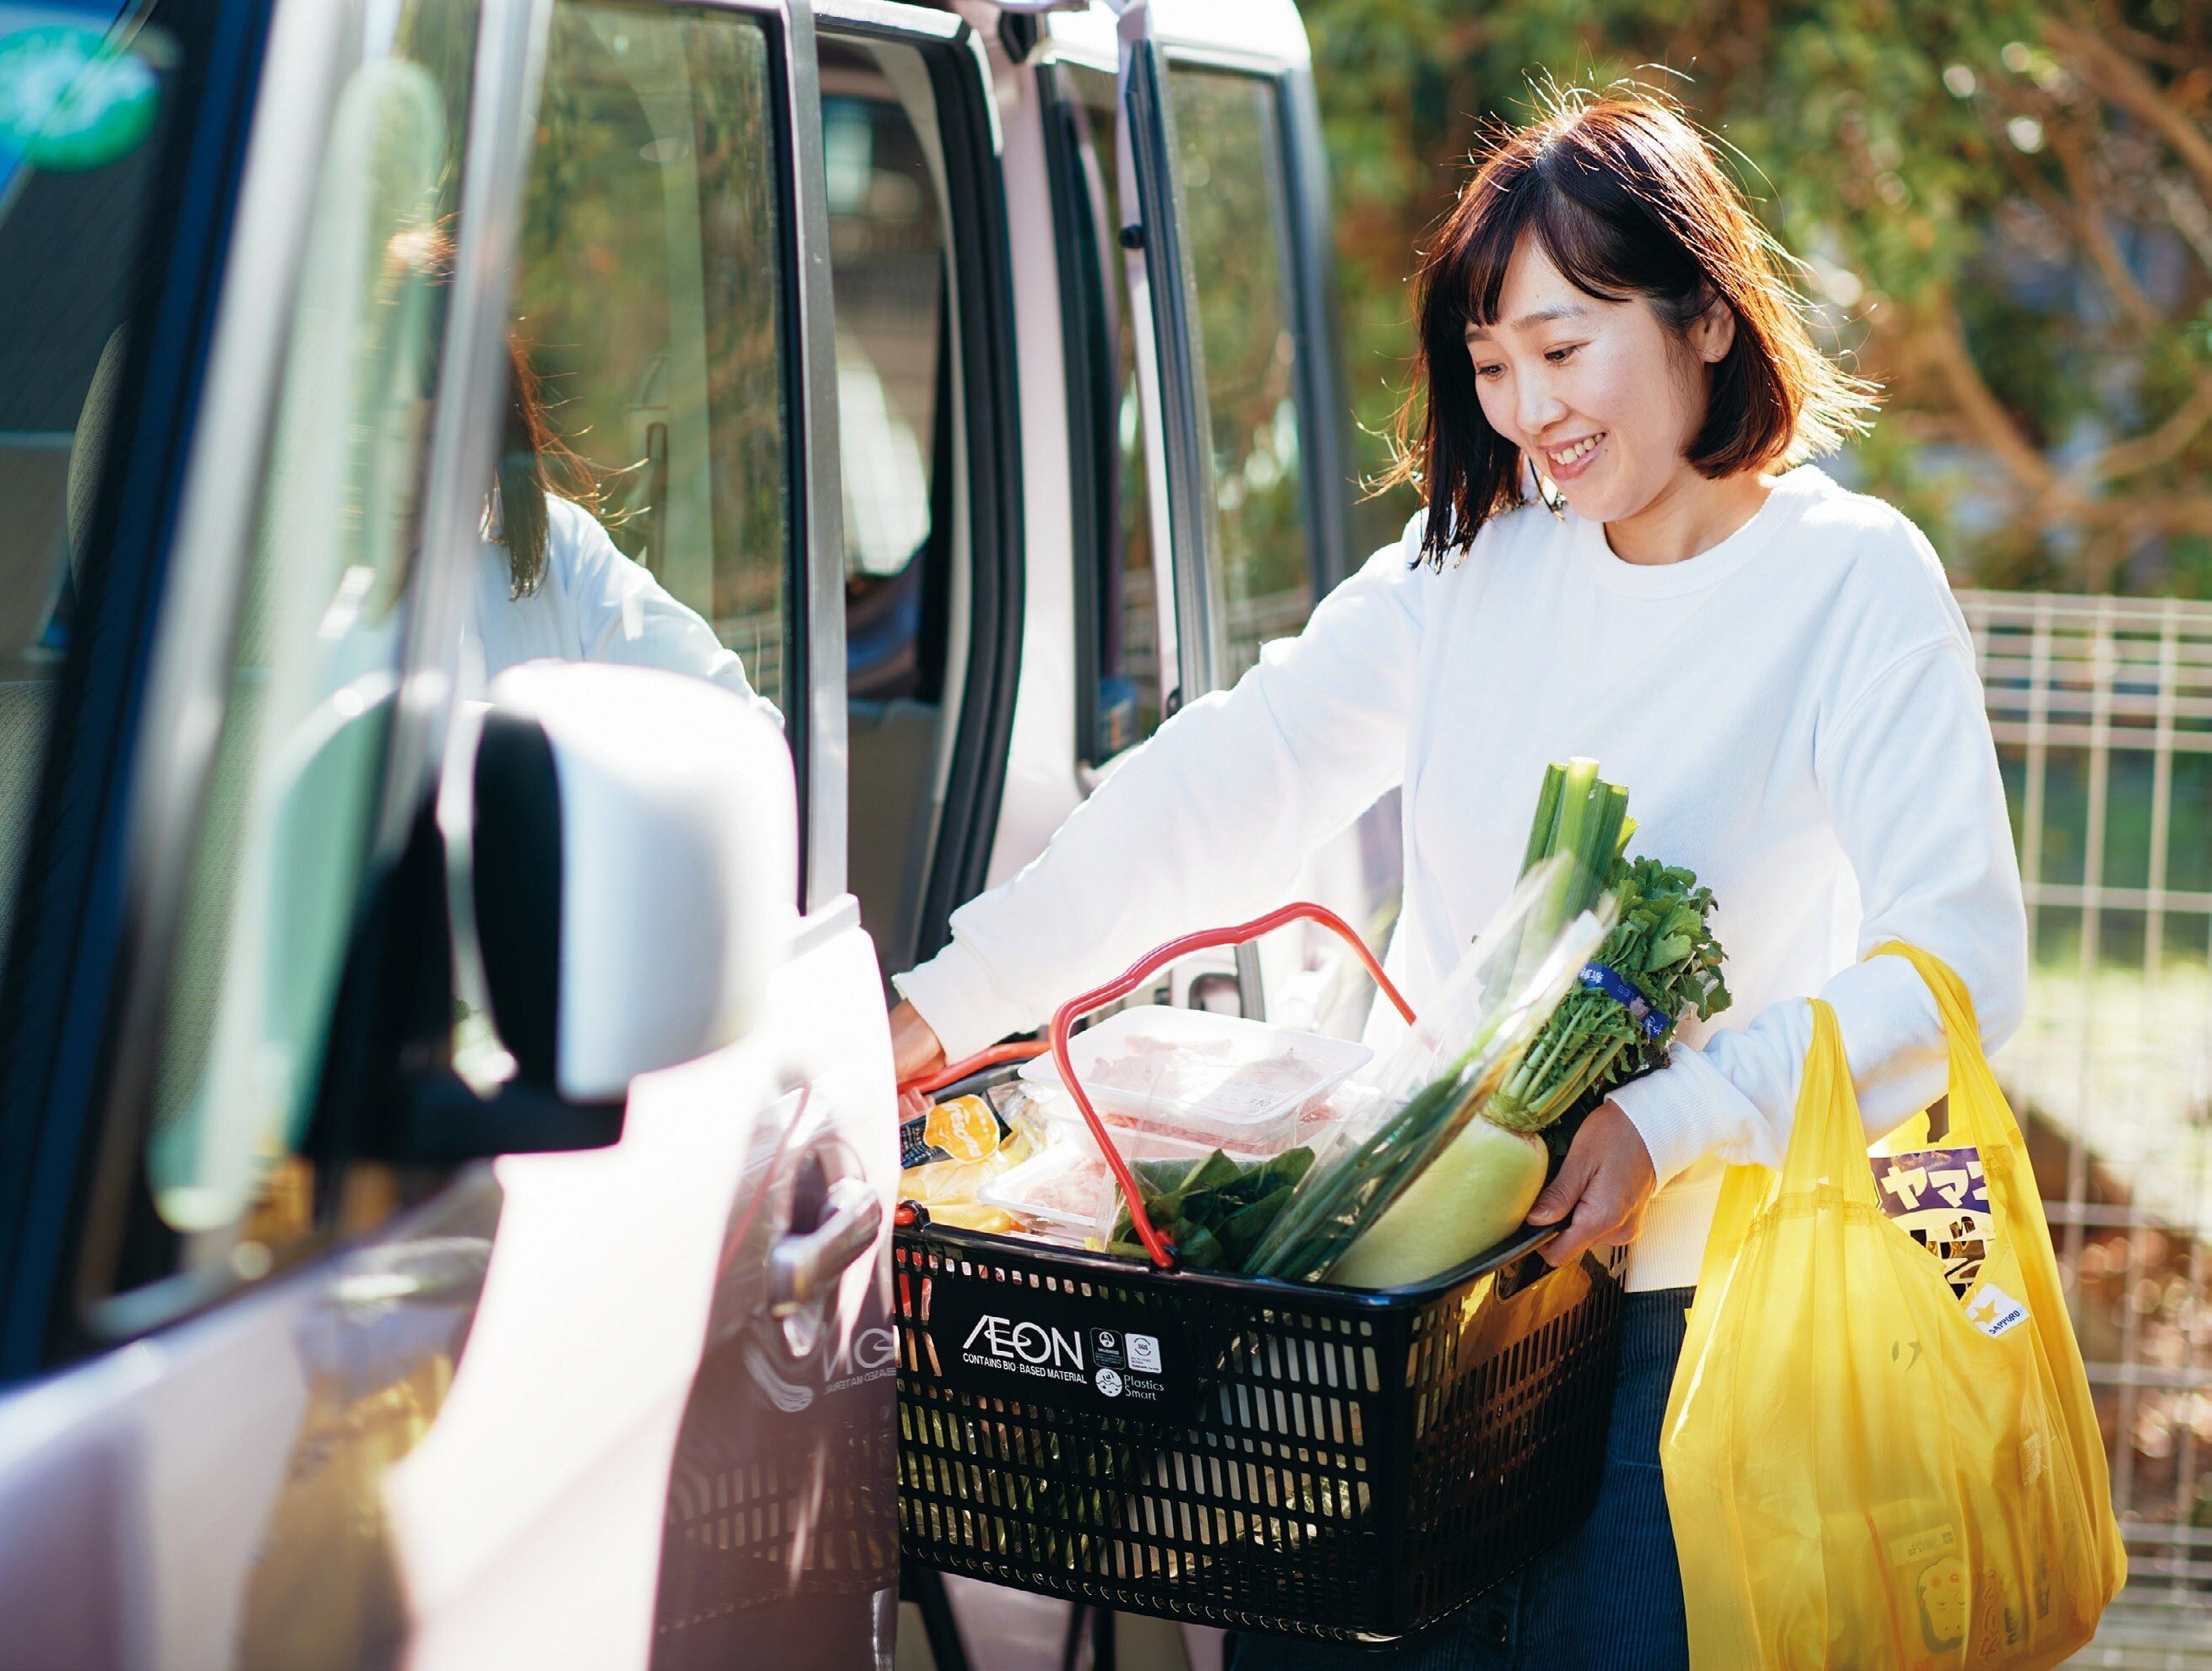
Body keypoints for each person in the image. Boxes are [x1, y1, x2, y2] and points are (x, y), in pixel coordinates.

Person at [887, 92, 2024, 1668]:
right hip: (1402, 1315)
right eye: (1491, 367)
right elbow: (1226, 786)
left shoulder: (1848, 583)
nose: (1525, 410)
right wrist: (946, 1007)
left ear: (1701, 310)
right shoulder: (1470, 566)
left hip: (1682, 1342)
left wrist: (1668, 1117)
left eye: (1564, 349)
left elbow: (1955, 962)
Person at [472, 335, 780, 723]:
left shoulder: (559, 551)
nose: (404, 470)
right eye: (388, 434)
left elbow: (737, 719)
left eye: (435, 439)